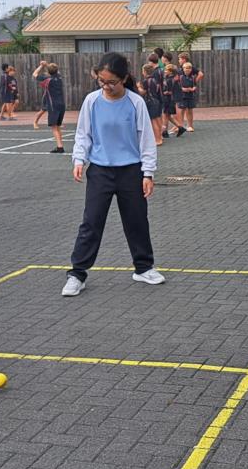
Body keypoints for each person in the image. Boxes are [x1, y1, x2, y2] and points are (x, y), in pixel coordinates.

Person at [62, 53, 164, 296]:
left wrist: (148, 173)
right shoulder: (92, 101)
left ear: (124, 78)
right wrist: (79, 159)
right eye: (102, 81)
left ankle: (143, 268)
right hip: (100, 171)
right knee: (91, 222)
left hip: (131, 171)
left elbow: (146, 140)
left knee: (137, 221)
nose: (106, 86)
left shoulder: (135, 102)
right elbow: (83, 134)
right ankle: (77, 274)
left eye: (111, 82)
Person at [43, 63, 67, 153]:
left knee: (54, 127)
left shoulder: (48, 80)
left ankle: (60, 147)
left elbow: (35, 74)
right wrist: (48, 65)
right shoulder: (59, 78)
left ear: (48, 72)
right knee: (58, 126)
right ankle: (60, 146)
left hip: (53, 106)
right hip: (61, 105)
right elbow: (54, 70)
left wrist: (41, 66)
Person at [140, 60, 165, 147]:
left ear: (145, 72)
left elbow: (143, 92)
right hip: (157, 101)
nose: (142, 73)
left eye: (143, 71)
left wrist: (138, 87)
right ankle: (160, 136)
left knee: (153, 121)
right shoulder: (155, 80)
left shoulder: (146, 81)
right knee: (157, 119)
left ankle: (158, 139)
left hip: (151, 101)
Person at [177, 61, 200, 132]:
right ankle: (180, 126)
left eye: (189, 68)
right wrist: (183, 89)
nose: (187, 70)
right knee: (181, 110)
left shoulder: (193, 77)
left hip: (190, 96)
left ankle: (190, 126)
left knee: (190, 110)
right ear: (183, 69)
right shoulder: (180, 77)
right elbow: (177, 86)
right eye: (186, 68)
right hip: (182, 96)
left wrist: (193, 89)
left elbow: (195, 85)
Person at [161, 63, 182, 138]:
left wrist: (164, 92)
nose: (165, 71)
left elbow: (169, 91)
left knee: (166, 115)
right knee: (168, 116)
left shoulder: (170, 80)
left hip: (168, 99)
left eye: (166, 70)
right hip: (170, 99)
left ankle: (165, 132)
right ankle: (180, 127)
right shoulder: (172, 78)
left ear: (171, 72)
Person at [32, 61, 50, 129]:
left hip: (55, 96)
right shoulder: (45, 77)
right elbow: (34, 74)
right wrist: (41, 66)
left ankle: (57, 123)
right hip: (47, 96)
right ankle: (35, 122)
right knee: (43, 110)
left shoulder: (55, 75)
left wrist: (46, 64)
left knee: (56, 109)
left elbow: (53, 69)